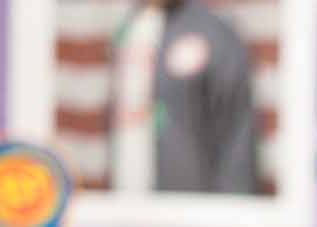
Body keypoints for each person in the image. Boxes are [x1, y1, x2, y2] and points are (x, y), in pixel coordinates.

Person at [101, 0, 259, 197]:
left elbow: (237, 138)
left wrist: (235, 212)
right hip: (124, 206)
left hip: (191, 211)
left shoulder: (214, 33)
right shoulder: (126, 28)